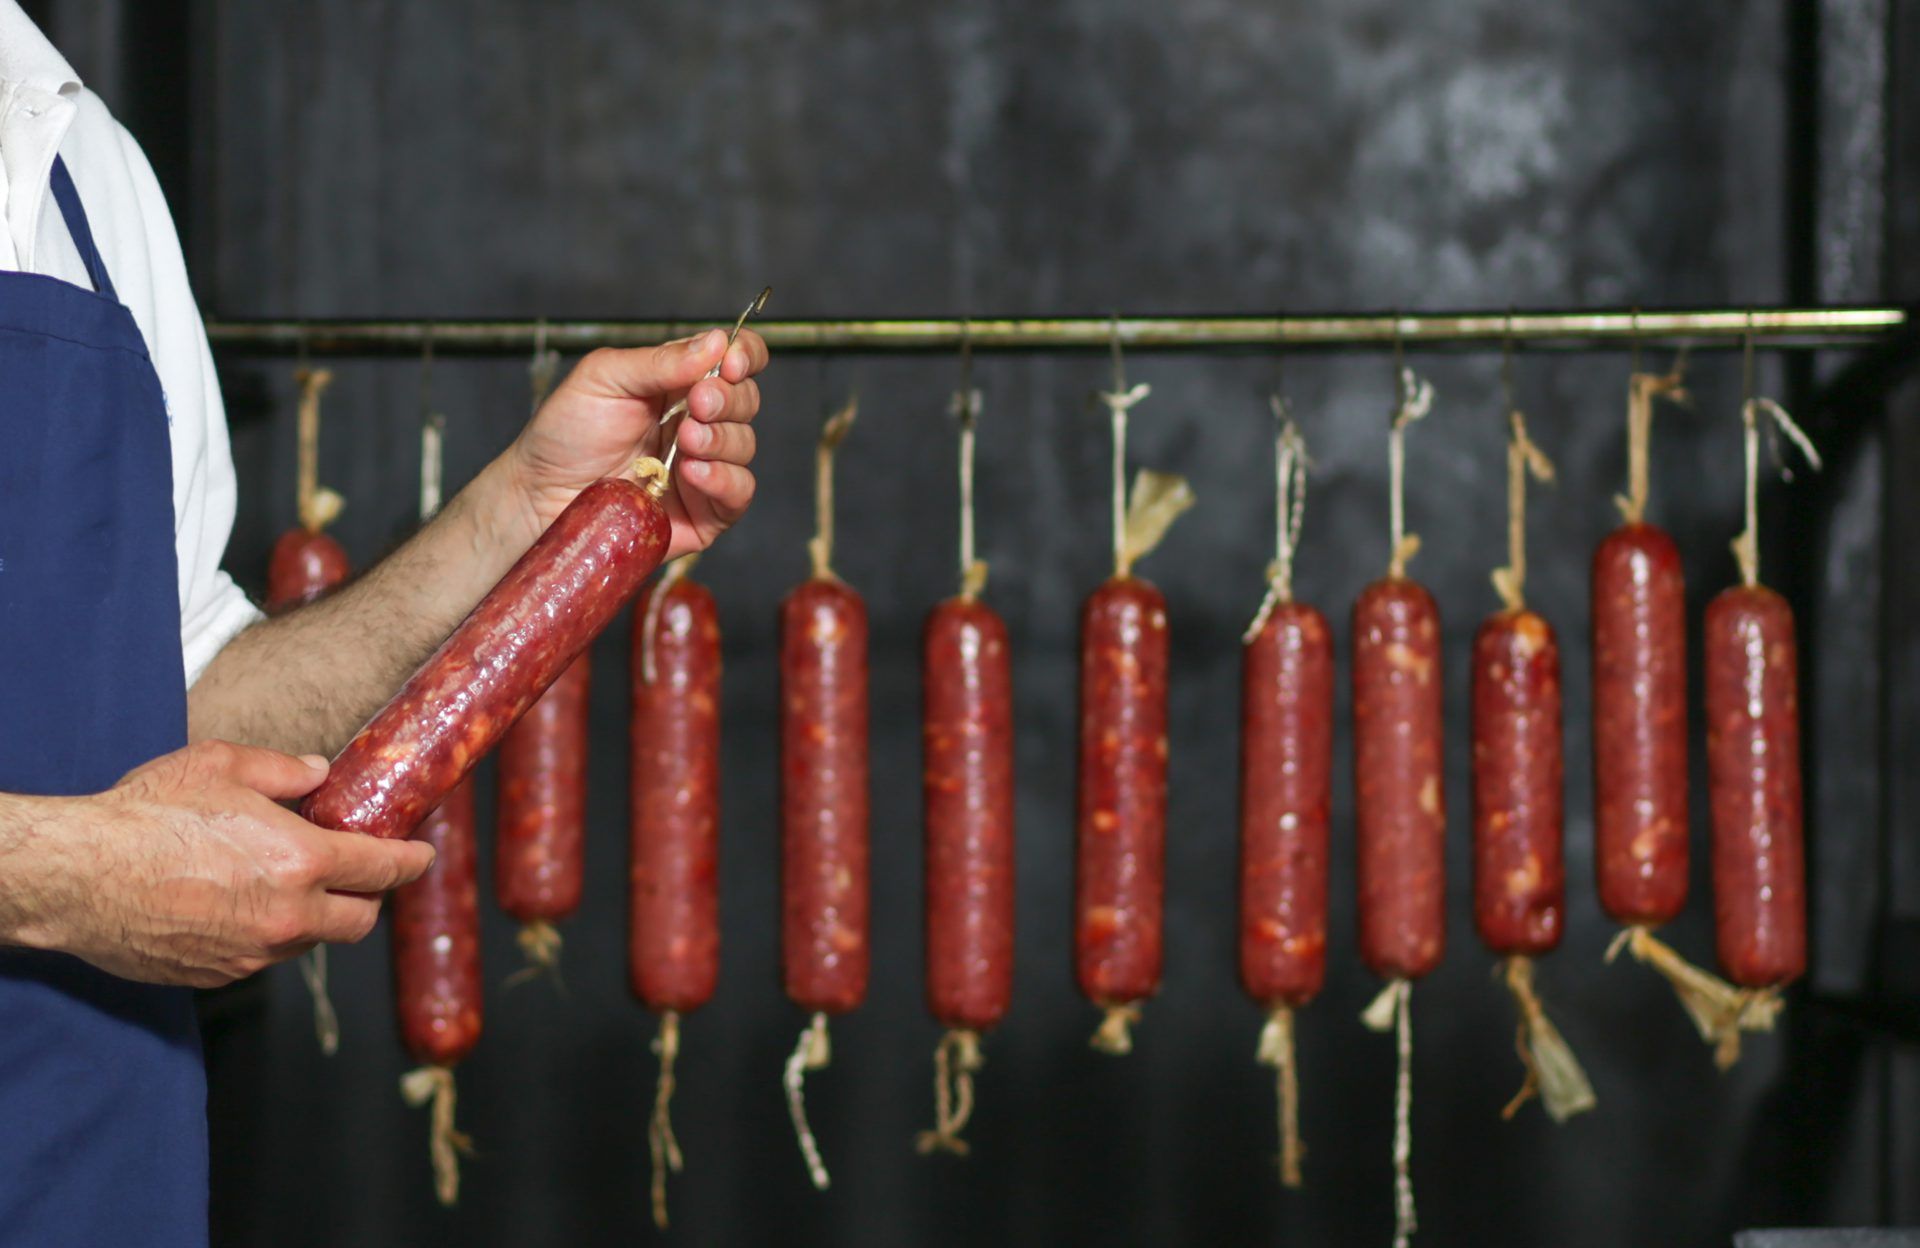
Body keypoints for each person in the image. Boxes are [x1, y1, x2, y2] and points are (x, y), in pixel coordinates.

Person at [0, 7, 768, 1245]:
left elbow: (170, 694)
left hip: (93, 1190)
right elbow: (88, 842)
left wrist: (516, 521)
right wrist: (62, 876)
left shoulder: (76, 157)